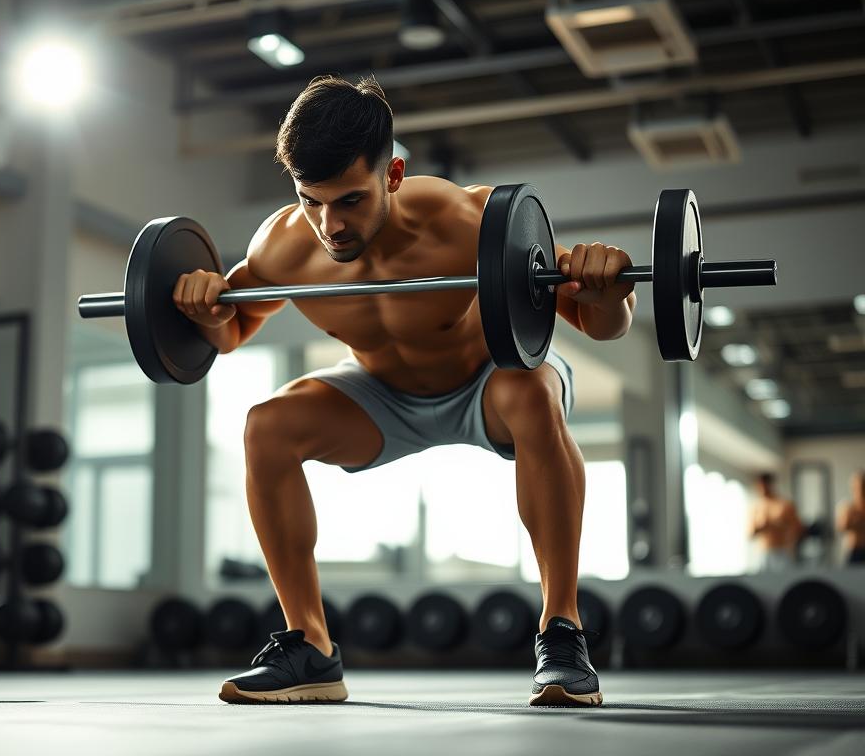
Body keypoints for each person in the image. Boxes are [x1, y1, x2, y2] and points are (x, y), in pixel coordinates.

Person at [174, 76, 636, 707]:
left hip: (489, 382)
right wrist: (203, 308)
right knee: (267, 426)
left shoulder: (466, 222)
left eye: (351, 201)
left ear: (392, 173)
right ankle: (309, 647)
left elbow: (601, 326)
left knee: (531, 391)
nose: (330, 225)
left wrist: (607, 290)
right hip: (381, 392)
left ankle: (562, 633)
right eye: (312, 201)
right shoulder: (282, 245)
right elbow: (230, 333)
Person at [747, 472, 803, 572]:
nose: (762, 488)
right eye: (759, 486)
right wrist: (762, 526)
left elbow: (798, 529)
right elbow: (750, 534)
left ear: (771, 484)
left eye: (764, 485)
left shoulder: (784, 505)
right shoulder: (756, 507)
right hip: (763, 552)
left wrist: (779, 527)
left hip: (782, 551)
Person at [836, 470, 865, 565]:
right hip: (853, 551)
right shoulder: (847, 507)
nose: (859, 489)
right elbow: (841, 527)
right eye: (856, 486)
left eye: (862, 486)